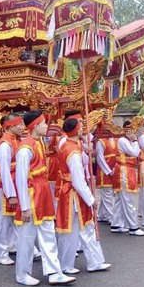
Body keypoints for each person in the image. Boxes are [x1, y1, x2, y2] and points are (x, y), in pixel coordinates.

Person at [14, 110, 75, 286]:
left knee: (48, 233)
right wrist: (24, 206)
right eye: (43, 123)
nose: (47, 126)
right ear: (34, 126)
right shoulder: (25, 148)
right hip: (32, 196)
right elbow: (21, 179)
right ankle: (22, 274)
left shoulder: (38, 142)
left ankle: (54, 272)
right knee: (27, 237)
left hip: (43, 193)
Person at [56, 117, 111, 274]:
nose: (83, 129)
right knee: (78, 230)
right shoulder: (72, 151)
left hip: (72, 193)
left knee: (82, 230)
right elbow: (78, 181)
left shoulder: (68, 145)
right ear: (77, 130)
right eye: (81, 127)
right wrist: (91, 199)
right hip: (74, 195)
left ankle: (92, 261)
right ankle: (68, 264)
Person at [0, 113, 23, 266]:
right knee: (3, 221)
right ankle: (0, 253)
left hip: (16, 183)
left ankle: (12, 244)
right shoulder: (5, 145)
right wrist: (10, 195)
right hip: (6, 185)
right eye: (20, 125)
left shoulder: (16, 141)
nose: (23, 127)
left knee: (14, 218)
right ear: (10, 126)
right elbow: (4, 171)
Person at [110, 120, 144, 236]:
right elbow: (135, 153)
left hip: (127, 171)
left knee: (120, 200)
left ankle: (116, 224)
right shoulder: (123, 140)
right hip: (124, 172)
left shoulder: (125, 140)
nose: (134, 133)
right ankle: (133, 227)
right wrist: (135, 141)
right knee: (128, 200)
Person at [95, 124, 118, 224]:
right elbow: (100, 158)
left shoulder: (117, 140)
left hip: (115, 170)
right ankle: (113, 217)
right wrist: (108, 171)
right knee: (108, 195)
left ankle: (101, 215)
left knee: (108, 195)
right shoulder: (101, 142)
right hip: (105, 172)